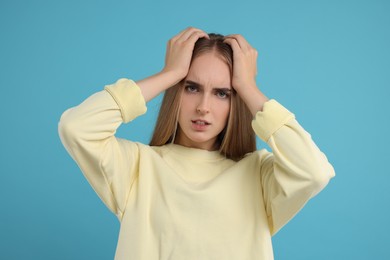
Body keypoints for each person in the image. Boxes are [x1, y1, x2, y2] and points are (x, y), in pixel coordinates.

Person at [58, 27, 335, 260]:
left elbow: (314, 172)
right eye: (191, 87)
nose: (203, 107)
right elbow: (76, 127)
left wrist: (248, 87)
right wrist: (169, 73)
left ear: (236, 100)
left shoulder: (260, 176)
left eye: (222, 93)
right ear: (176, 91)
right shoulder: (138, 167)